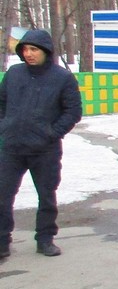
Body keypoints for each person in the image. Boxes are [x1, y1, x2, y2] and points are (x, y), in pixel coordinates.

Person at [0, 29, 82, 258]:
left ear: (46, 51)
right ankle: (2, 241)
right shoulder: (14, 73)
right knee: (2, 196)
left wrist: (51, 133)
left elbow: (73, 111)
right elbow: (2, 102)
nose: (28, 54)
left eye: (34, 49)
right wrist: (4, 126)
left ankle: (45, 239)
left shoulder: (62, 77)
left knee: (46, 196)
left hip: (44, 149)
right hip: (12, 147)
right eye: (25, 49)